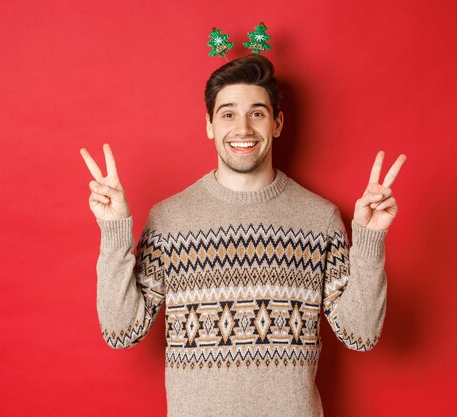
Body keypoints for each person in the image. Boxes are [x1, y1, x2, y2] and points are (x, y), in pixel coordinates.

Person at [80, 54, 405, 417]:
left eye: (257, 113)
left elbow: (360, 335)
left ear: (277, 123)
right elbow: (120, 332)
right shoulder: (169, 219)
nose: (243, 129)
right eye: (228, 114)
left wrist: (368, 241)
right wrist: (113, 230)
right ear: (210, 125)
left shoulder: (319, 219)